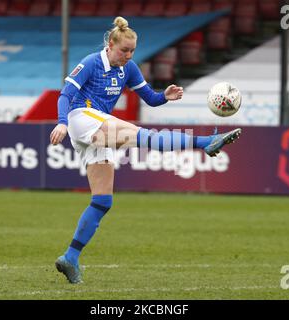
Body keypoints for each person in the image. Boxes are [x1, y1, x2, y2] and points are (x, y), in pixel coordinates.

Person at [50, 16, 241, 284]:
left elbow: (150, 98)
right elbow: (65, 95)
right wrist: (61, 123)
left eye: (132, 51)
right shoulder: (92, 62)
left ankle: (70, 258)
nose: (128, 56)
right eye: (123, 51)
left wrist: (165, 96)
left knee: (103, 201)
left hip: (97, 129)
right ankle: (204, 143)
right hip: (82, 119)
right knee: (145, 137)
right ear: (110, 45)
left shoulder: (129, 69)